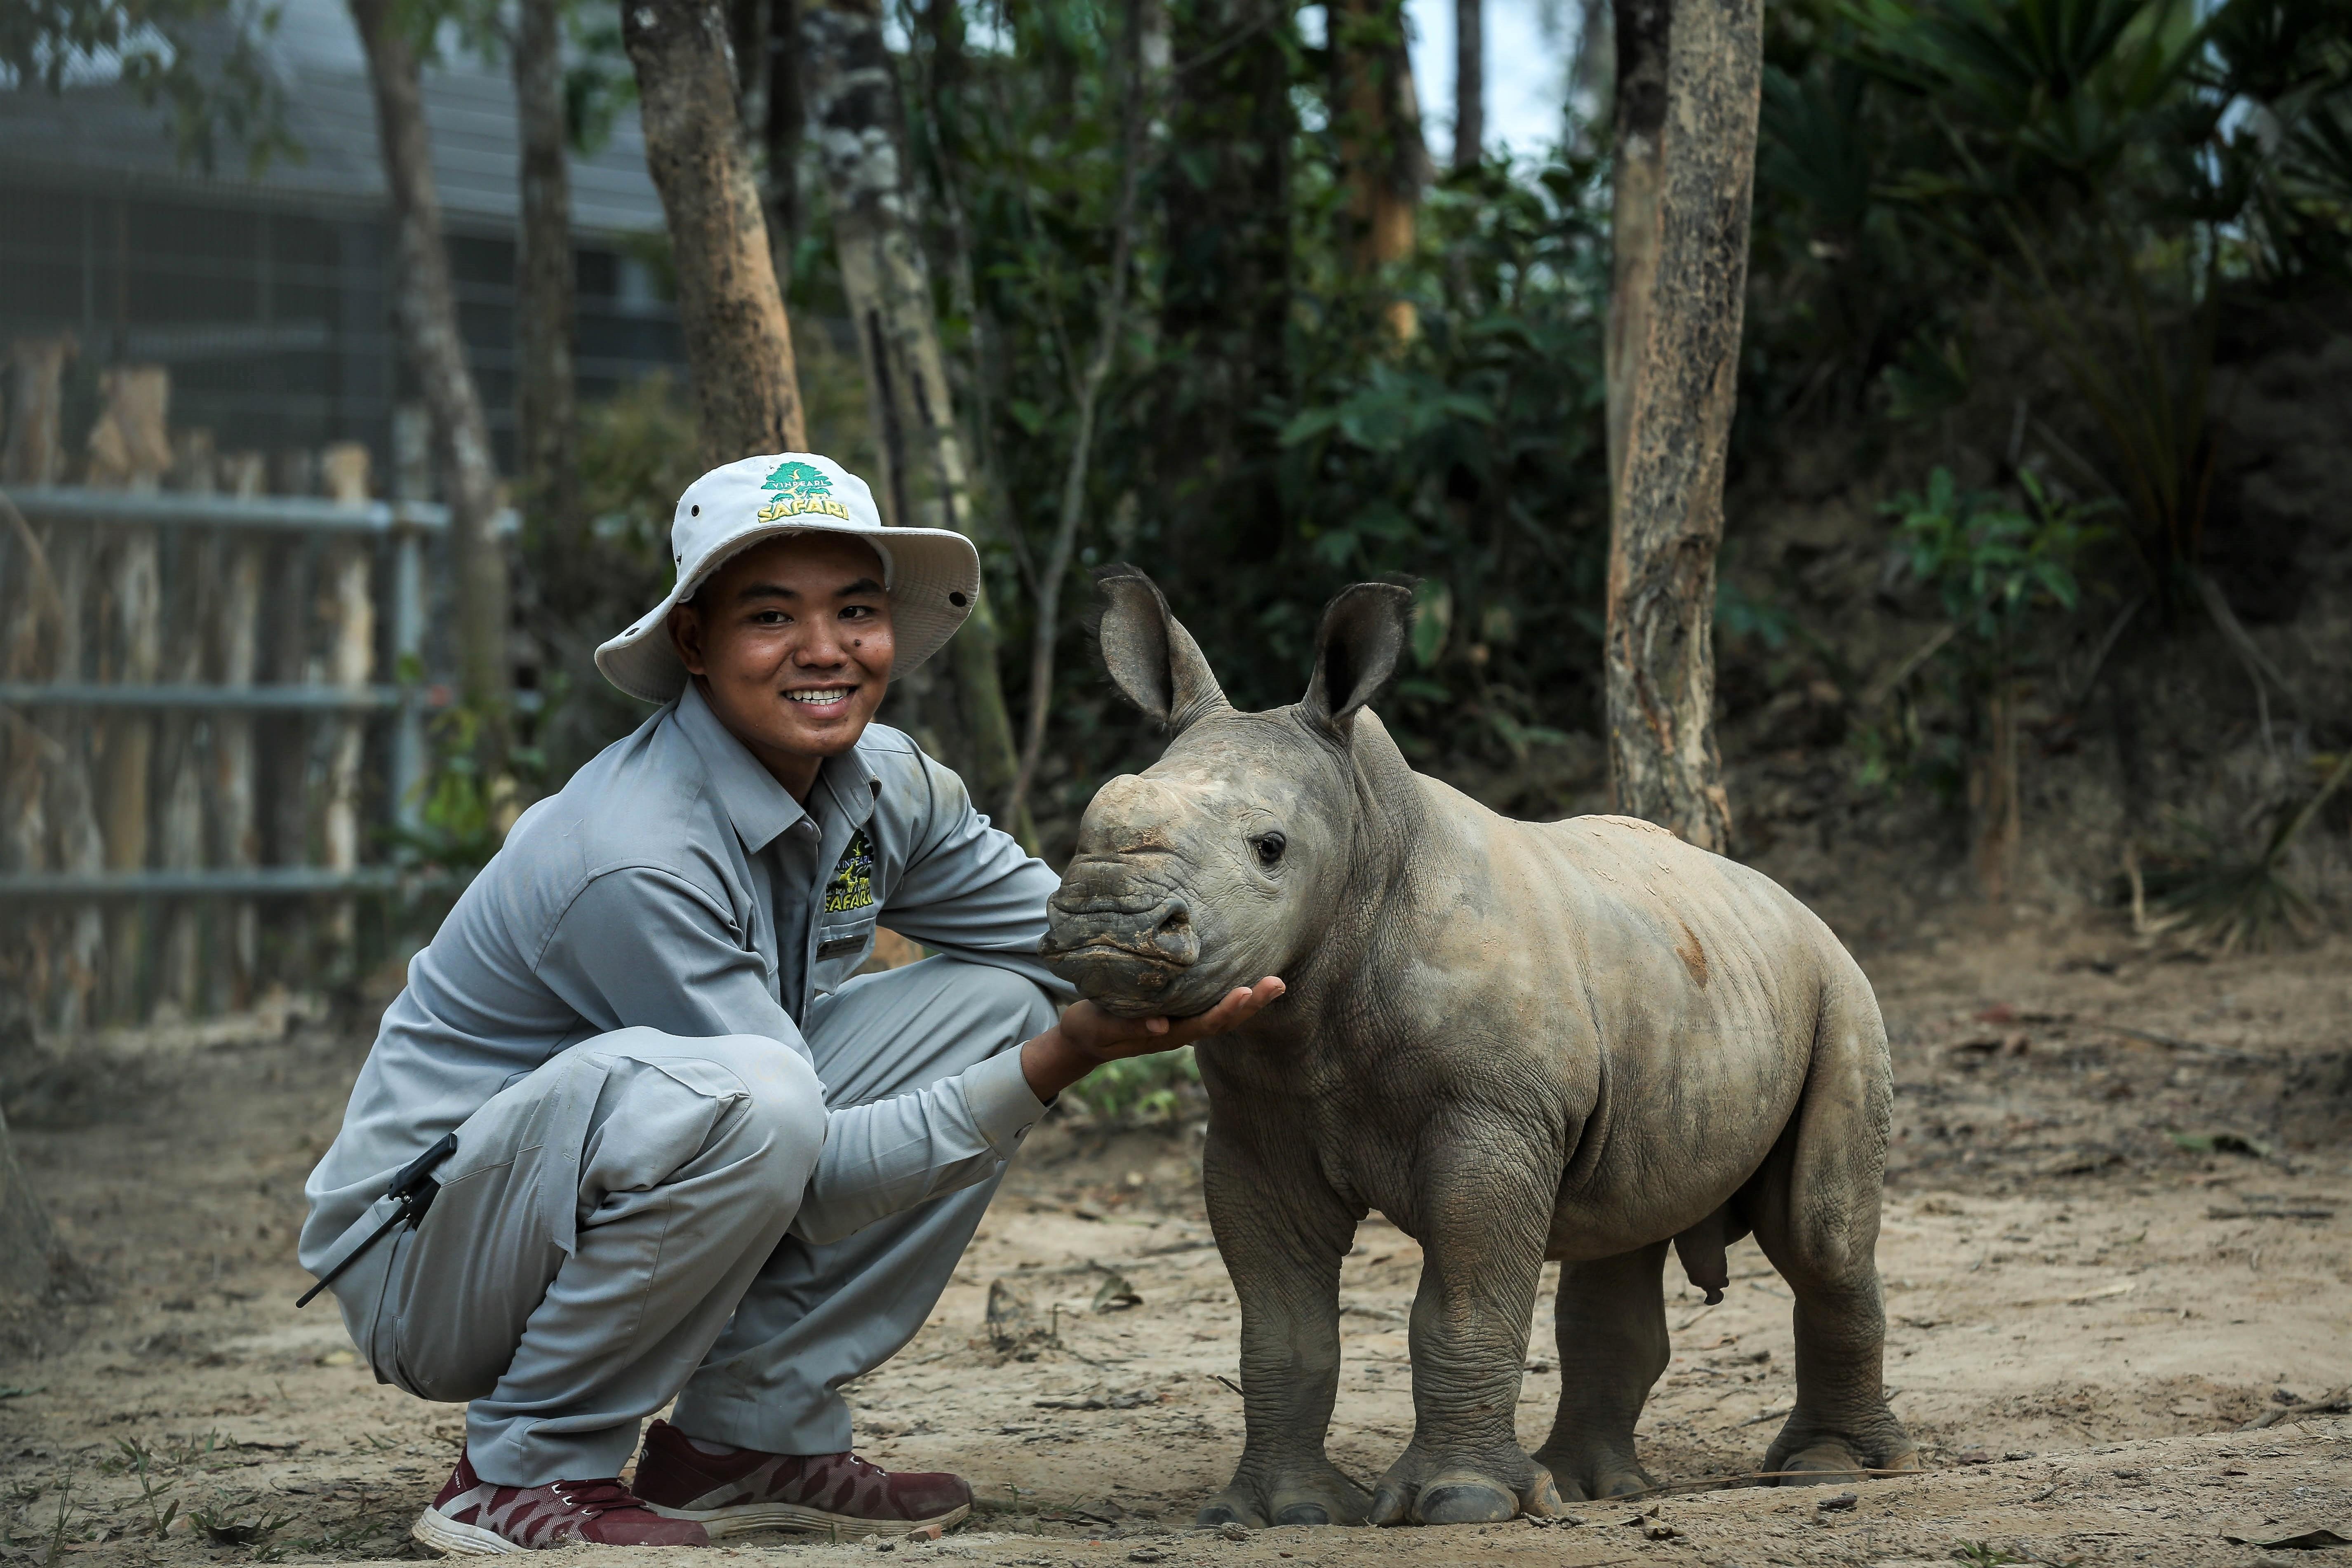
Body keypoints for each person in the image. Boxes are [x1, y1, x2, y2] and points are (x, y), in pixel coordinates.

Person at [299, 453, 1283, 1554]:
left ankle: (745, 1438)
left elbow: (1067, 945)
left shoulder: (888, 783)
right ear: (695, 644)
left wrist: (1246, 963)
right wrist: (1060, 1060)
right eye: (771, 615)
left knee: (994, 1005)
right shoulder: (637, 856)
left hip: (621, 1163)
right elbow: (798, 1164)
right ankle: (520, 1466)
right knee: (768, 1096)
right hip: (429, 1262)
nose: (823, 649)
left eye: (854, 611)